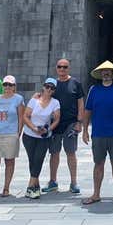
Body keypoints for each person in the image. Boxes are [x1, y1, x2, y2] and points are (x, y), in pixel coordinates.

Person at [82, 60, 113, 206]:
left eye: (109, 71)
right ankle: (96, 194)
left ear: (112, 73)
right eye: (103, 71)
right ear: (100, 74)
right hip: (98, 133)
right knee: (98, 163)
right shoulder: (94, 89)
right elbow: (87, 110)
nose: (106, 73)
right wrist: (85, 130)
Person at [42, 58, 85, 195]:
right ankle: (53, 182)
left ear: (69, 68)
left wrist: (79, 122)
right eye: (60, 67)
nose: (62, 69)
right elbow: (45, 98)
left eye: (65, 67)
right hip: (54, 124)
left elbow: (80, 104)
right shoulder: (52, 84)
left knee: (70, 152)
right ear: (56, 68)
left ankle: (73, 182)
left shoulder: (75, 83)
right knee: (54, 153)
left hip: (70, 123)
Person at [22, 77, 61, 199]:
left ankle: (30, 187)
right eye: (47, 86)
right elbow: (25, 116)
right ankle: (35, 187)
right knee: (32, 160)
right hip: (29, 134)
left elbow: (57, 119)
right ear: (43, 86)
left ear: (54, 90)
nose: (49, 89)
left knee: (39, 159)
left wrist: (48, 129)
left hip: (44, 136)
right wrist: (34, 128)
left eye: (52, 88)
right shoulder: (34, 100)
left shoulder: (55, 103)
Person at [0, 74, 24, 198]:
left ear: (14, 86)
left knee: (9, 161)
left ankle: (6, 188)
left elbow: (20, 117)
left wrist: (18, 133)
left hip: (10, 133)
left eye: (10, 85)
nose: (7, 87)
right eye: (5, 84)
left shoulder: (18, 99)